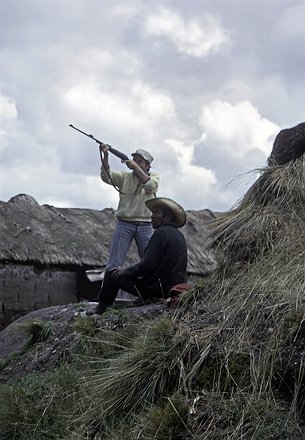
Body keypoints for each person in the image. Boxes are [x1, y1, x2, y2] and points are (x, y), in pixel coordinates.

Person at [92, 197, 188, 315]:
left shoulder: (160, 233)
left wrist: (125, 272)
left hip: (158, 290)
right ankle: (144, 299)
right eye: (152, 213)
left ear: (167, 217)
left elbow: (147, 265)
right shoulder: (179, 235)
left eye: (157, 213)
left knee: (111, 273)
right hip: (172, 288)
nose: (152, 216)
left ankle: (101, 308)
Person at [99, 144, 159, 268]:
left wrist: (135, 168)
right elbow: (106, 176)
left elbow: (151, 186)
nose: (136, 163)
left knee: (150, 264)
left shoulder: (154, 177)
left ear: (147, 165)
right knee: (114, 263)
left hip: (146, 225)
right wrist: (105, 155)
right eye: (135, 160)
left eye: (140, 162)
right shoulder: (125, 177)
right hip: (124, 223)